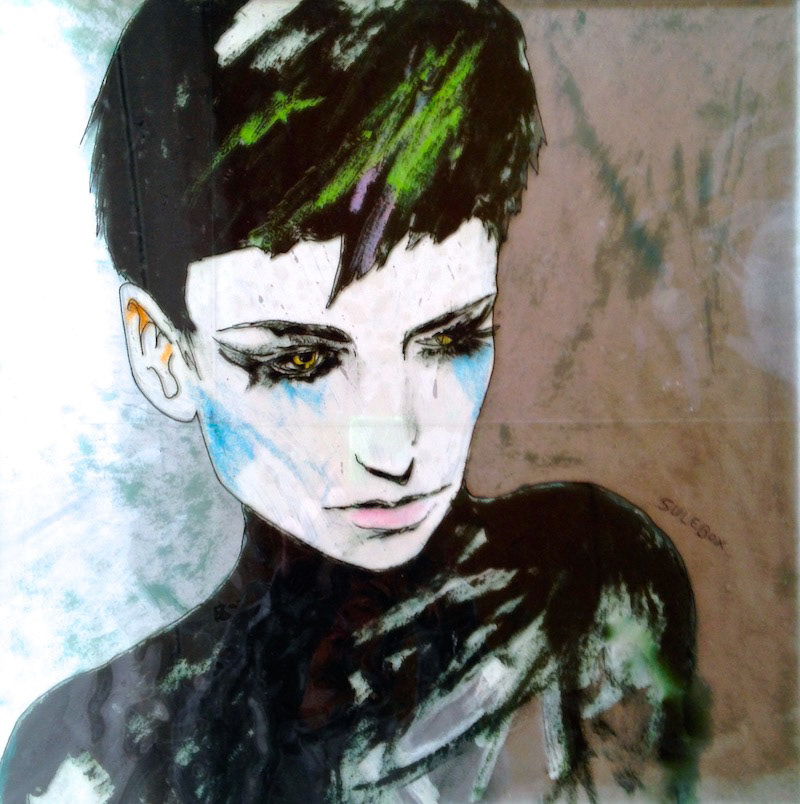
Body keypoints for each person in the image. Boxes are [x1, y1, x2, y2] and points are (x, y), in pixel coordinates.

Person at [0, 0, 705, 801]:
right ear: (164, 355)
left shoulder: (580, 590)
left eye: (450, 339)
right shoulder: (82, 758)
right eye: (300, 360)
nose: (395, 445)